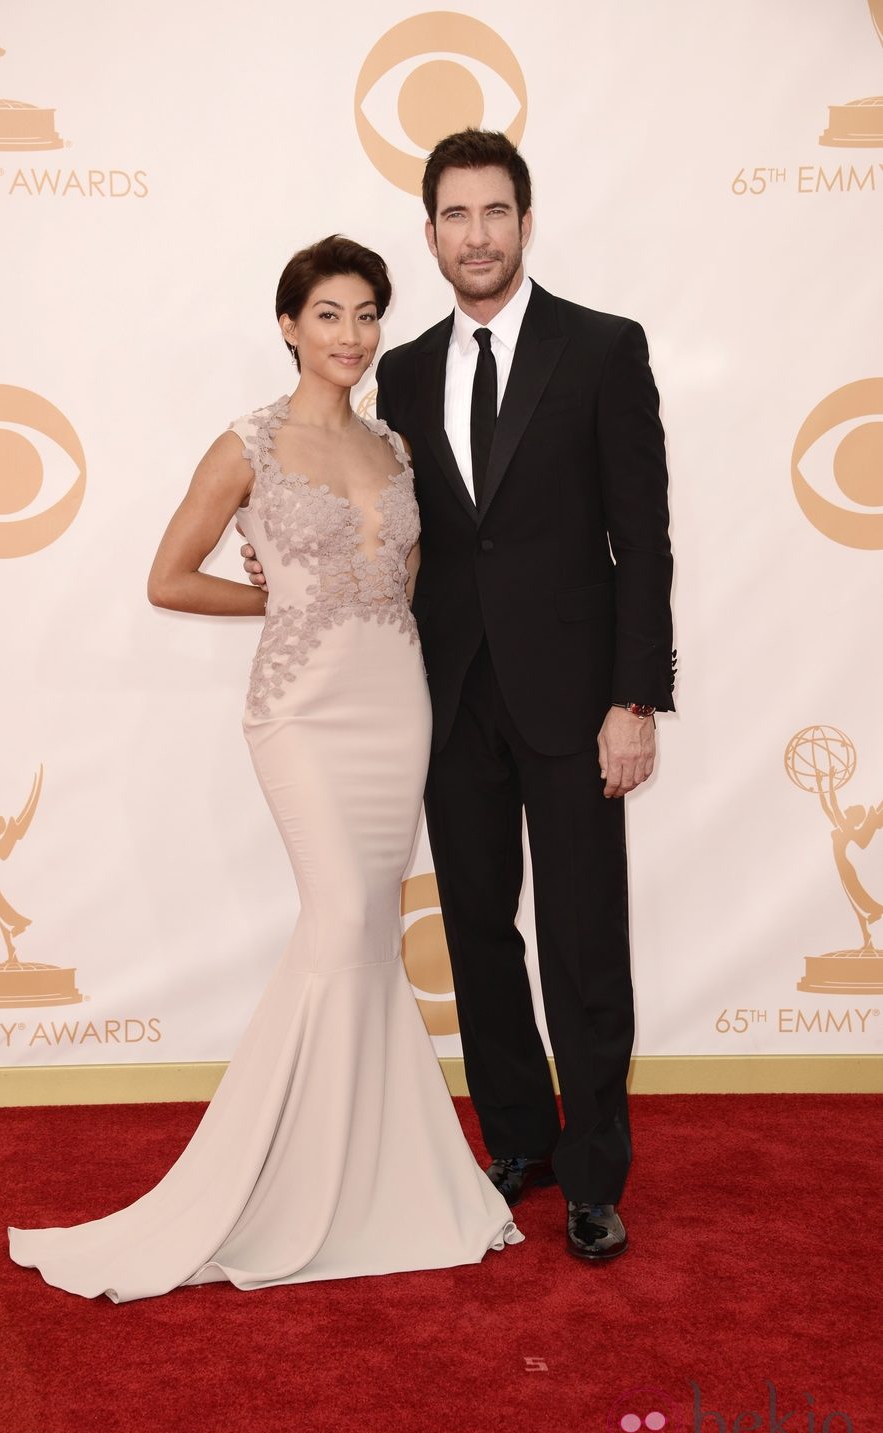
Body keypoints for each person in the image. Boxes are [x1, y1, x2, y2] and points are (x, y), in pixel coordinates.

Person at [7, 234, 521, 1302]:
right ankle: (279, 1183)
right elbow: (167, 578)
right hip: (299, 708)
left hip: (395, 705)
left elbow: (410, 575)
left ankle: (369, 1177)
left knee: (363, 935)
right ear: (288, 325)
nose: (351, 334)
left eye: (367, 314)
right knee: (341, 924)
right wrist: (279, 599)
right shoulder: (247, 444)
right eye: (328, 314)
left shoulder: (395, 446)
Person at [244, 132, 675, 1264]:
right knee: (477, 934)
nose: (474, 234)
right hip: (444, 700)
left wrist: (634, 698)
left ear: (524, 223)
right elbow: (401, 529)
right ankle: (519, 1140)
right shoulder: (409, 368)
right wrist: (288, 568)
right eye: (453, 214)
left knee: (583, 938)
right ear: (428, 231)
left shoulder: (601, 349)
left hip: (577, 701)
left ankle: (592, 1174)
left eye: (494, 212)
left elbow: (642, 540)